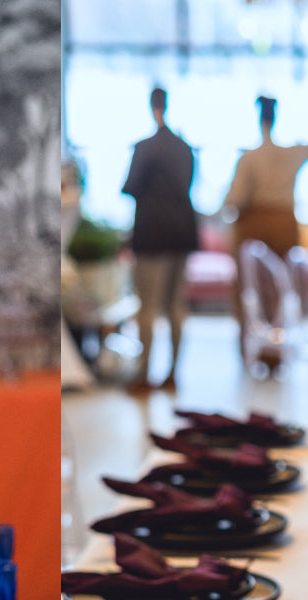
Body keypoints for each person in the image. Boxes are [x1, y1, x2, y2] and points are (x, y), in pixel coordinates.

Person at [224, 96, 308, 362]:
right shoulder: (290, 153)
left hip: (255, 224)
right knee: (280, 290)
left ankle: (257, 351)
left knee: (251, 289)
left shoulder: (251, 157)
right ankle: (276, 354)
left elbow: (235, 199)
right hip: (285, 223)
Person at [120, 87, 199, 394]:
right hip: (182, 230)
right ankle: (172, 373)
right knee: (176, 306)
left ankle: (143, 374)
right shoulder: (185, 148)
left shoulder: (145, 148)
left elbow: (130, 186)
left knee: (148, 308)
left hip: (152, 232)